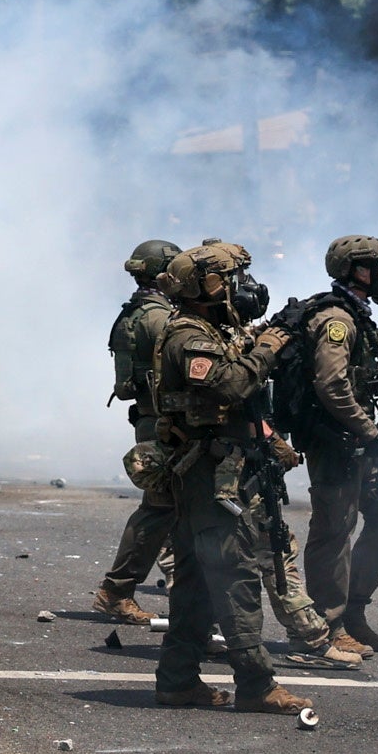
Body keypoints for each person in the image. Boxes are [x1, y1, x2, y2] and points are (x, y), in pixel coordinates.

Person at [149, 242, 308, 713]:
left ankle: (177, 680)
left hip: (220, 469)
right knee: (235, 576)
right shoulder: (188, 336)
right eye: (234, 278)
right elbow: (230, 383)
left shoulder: (215, 330)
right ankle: (258, 684)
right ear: (207, 287)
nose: (243, 288)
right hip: (208, 476)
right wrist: (269, 345)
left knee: (197, 579)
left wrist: (276, 332)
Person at [298, 235, 378, 654]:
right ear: (359, 271)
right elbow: (331, 383)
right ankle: (326, 624)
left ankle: (354, 612)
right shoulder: (336, 320)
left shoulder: (357, 315)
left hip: (358, 438)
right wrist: (368, 430)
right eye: (376, 266)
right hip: (336, 440)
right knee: (334, 530)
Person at [92, 240, 180, 624]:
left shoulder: (137, 312)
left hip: (149, 419)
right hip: (163, 424)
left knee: (168, 509)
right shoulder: (160, 319)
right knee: (159, 510)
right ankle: (117, 590)